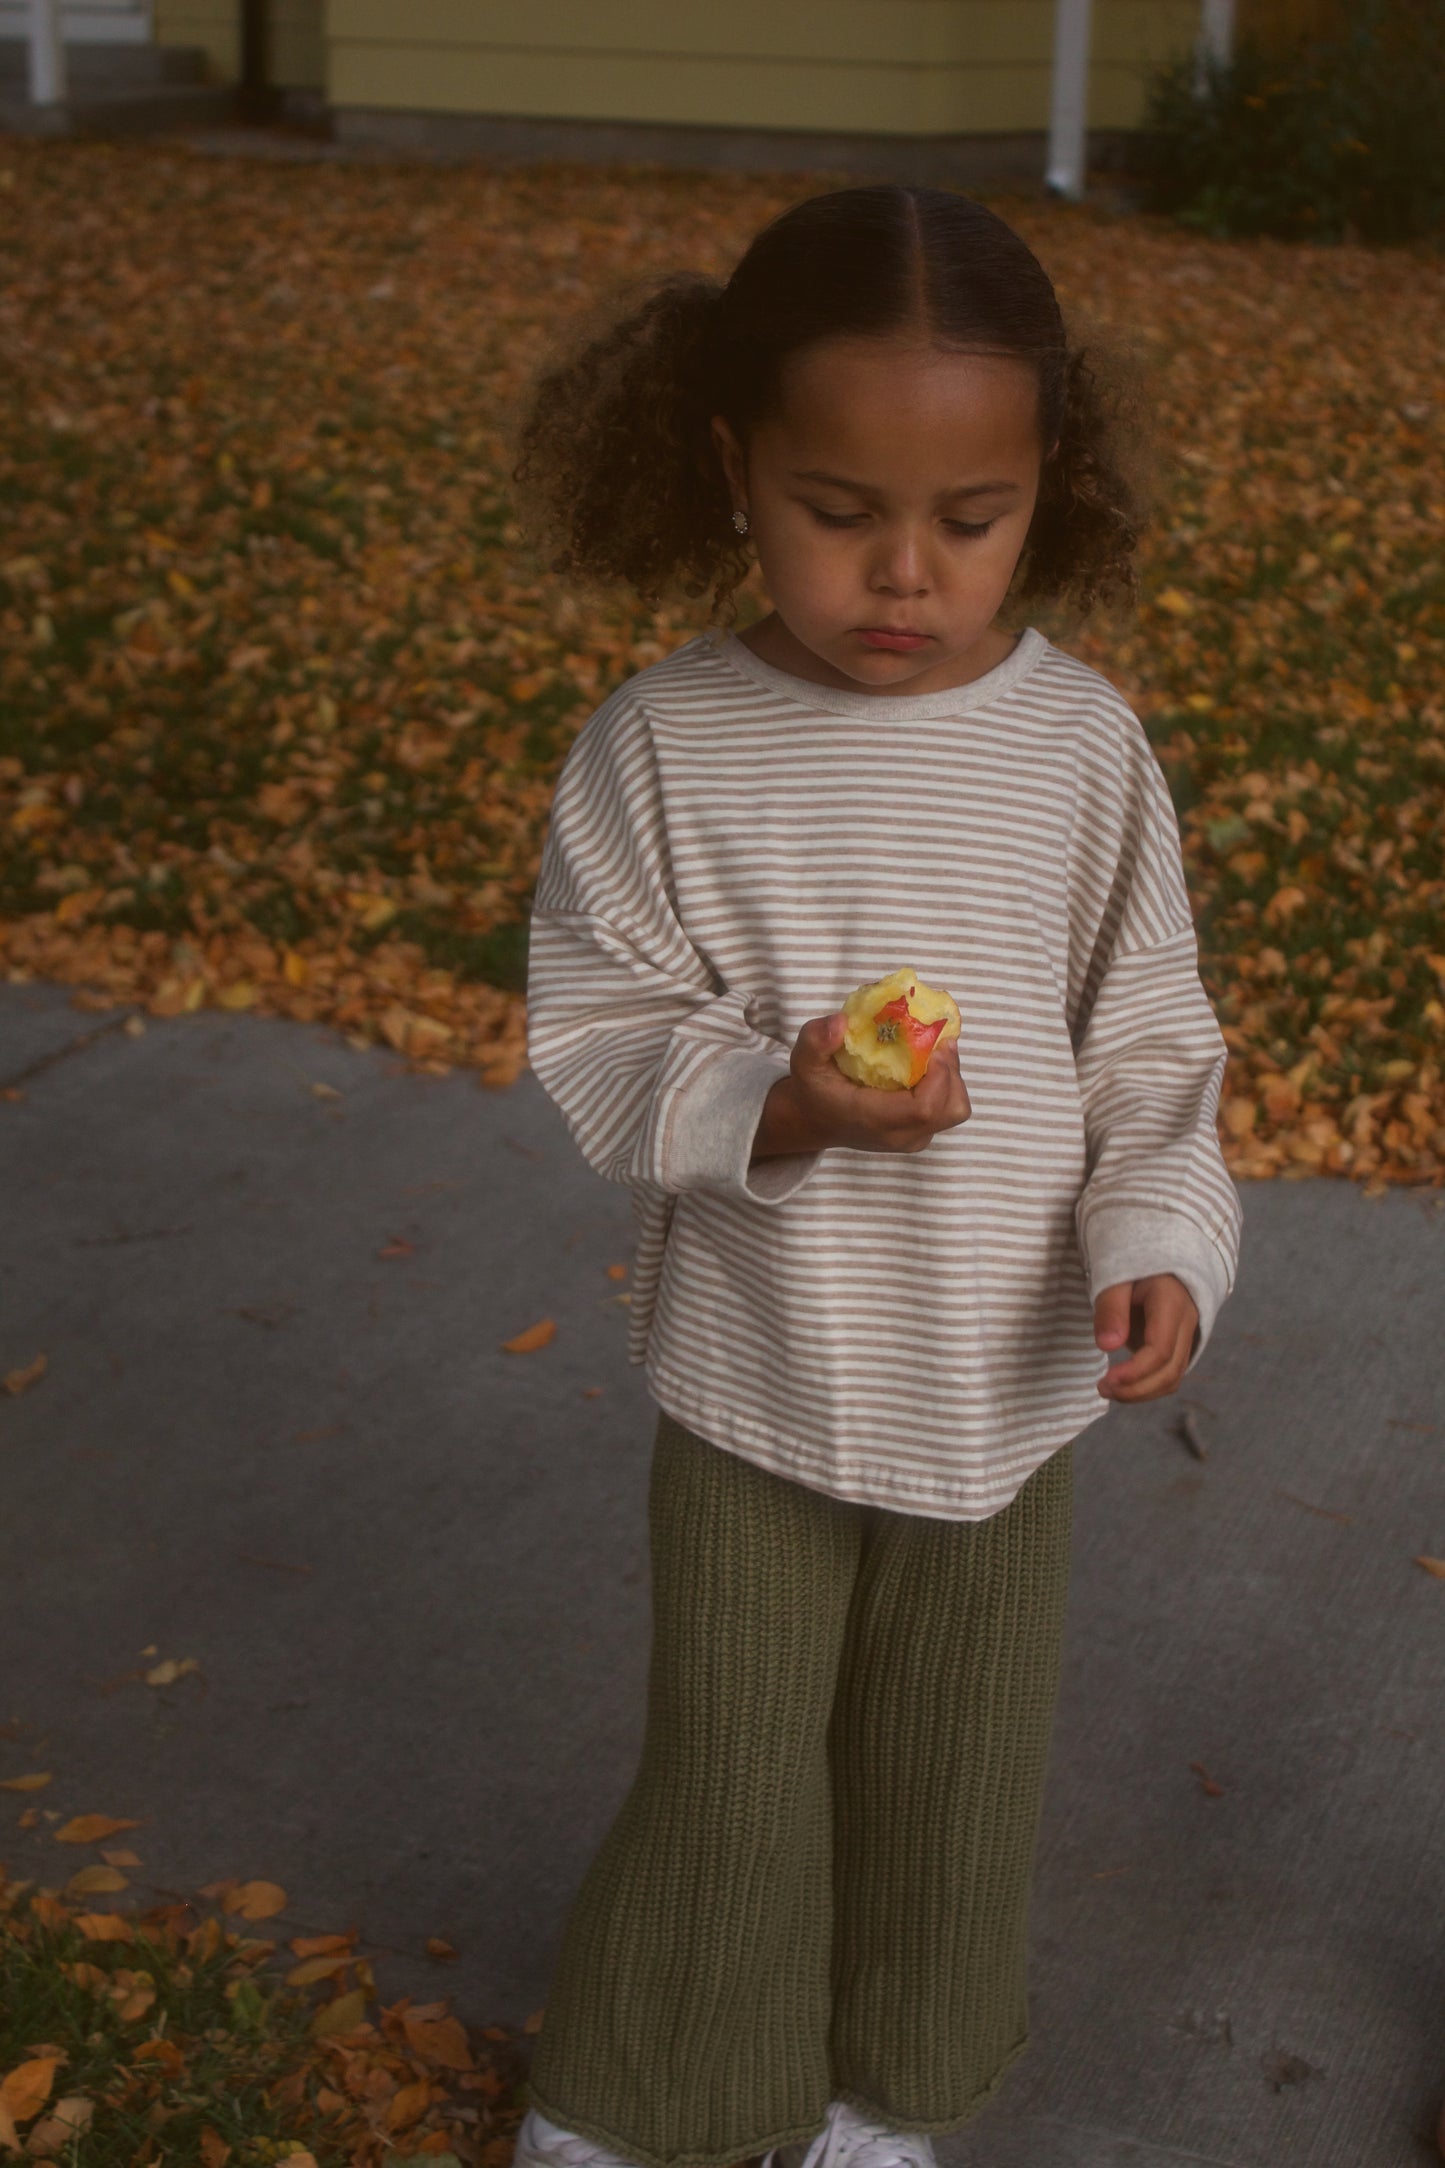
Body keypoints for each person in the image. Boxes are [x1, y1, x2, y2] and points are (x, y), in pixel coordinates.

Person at [509, 184, 1242, 2168]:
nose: (905, 572)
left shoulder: (1076, 747)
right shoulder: (667, 748)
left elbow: (1149, 1038)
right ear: (731, 466)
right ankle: (654, 2087)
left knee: (950, 1772)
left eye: (971, 518)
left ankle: (886, 2098)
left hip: (1000, 1383)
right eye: (838, 511)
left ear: (1048, 485)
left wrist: (1159, 1234)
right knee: (733, 1764)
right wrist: (789, 1102)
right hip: (761, 1369)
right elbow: (601, 1024)